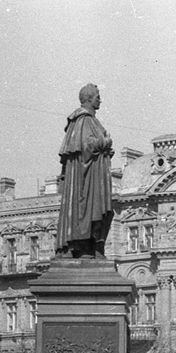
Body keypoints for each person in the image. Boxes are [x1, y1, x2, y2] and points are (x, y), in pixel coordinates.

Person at [55, 83, 114, 258]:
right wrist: (106, 142)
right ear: (89, 99)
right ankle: (85, 246)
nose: (100, 100)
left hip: (89, 174)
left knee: (92, 210)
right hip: (87, 178)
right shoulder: (85, 119)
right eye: (97, 97)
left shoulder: (84, 120)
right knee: (87, 208)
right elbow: (88, 146)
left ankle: (90, 245)